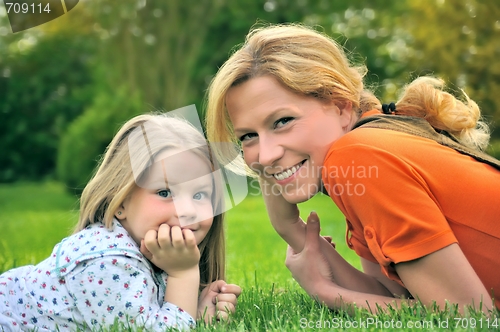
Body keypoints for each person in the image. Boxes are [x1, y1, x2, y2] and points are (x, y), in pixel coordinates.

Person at [204, 23, 500, 314]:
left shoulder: (356, 156)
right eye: (248, 136)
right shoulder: (367, 147)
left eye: (282, 121)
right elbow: (392, 294)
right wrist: (290, 228)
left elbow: (468, 316)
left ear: (341, 107)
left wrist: (326, 292)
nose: (265, 156)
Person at [0, 113, 241, 331]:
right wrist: (184, 275)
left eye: (200, 195)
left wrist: (197, 311)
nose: (187, 211)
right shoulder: (108, 262)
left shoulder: (153, 252)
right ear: (121, 201)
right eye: (165, 193)